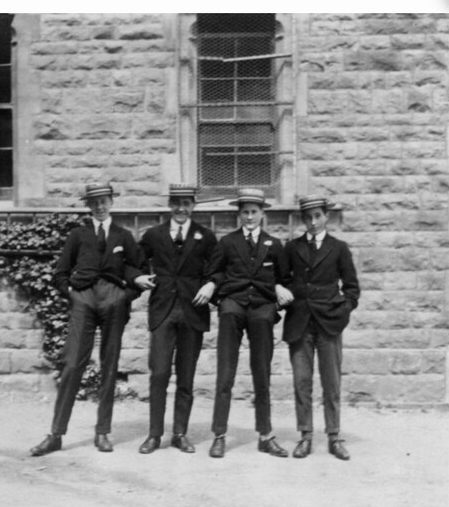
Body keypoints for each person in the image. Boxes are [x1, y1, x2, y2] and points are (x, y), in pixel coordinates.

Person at [30, 182, 149, 456]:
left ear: (111, 202)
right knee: (72, 363)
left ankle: (103, 431)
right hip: (83, 299)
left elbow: (141, 269)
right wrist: (71, 293)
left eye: (104, 201)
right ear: (88, 206)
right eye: (94, 202)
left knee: (110, 364)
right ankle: (56, 434)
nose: (99, 206)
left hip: (112, 300)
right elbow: (60, 272)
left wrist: (124, 296)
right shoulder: (77, 235)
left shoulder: (123, 236)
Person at [204, 188, 294, 459]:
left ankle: (265, 434)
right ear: (239, 214)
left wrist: (278, 291)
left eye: (254, 212)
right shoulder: (228, 242)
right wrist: (217, 292)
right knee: (226, 372)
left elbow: (285, 279)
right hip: (233, 306)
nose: (250, 217)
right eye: (245, 212)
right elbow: (215, 272)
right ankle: (219, 434)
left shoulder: (273, 244)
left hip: (262, 309)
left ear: (263, 213)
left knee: (262, 373)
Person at [137, 184, 218, 454]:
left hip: (192, 312)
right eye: (176, 203)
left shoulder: (205, 236)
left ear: (193, 205)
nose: (181, 208)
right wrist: (136, 277)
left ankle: (180, 433)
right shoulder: (153, 235)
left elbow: (219, 269)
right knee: (159, 373)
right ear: (169, 205)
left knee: (186, 376)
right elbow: (134, 263)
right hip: (163, 312)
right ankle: (154, 434)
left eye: (186, 203)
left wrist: (211, 285)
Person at [282, 195, 360, 461]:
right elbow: (281, 281)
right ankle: (305, 435)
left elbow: (352, 289)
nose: (313, 222)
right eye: (308, 217)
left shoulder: (339, 248)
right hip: (300, 322)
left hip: (329, 323)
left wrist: (342, 311)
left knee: (331, 382)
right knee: (302, 382)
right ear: (303, 220)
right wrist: (283, 293)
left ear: (326, 217)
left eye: (318, 216)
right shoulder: (292, 248)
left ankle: (334, 436)